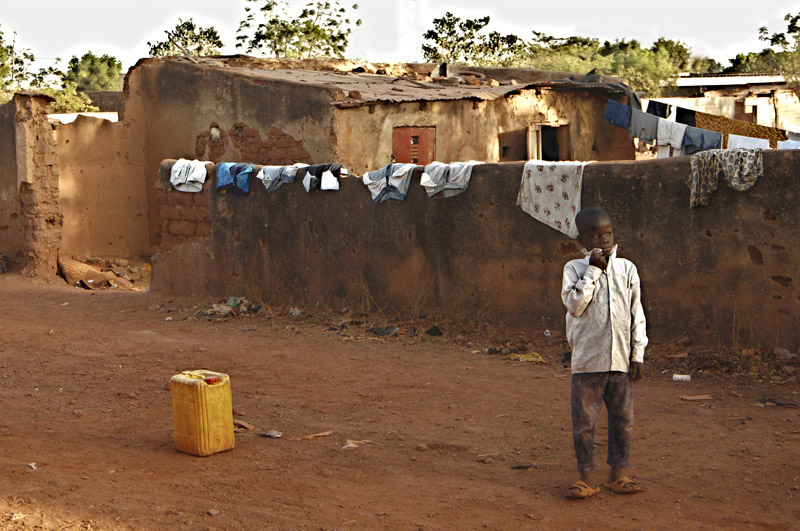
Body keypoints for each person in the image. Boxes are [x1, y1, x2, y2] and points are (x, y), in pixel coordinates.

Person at [561, 207, 647, 499]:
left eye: (608, 232)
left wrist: (638, 354)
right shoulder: (574, 269)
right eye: (596, 235)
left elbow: (637, 313)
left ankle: (618, 474)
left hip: (620, 360)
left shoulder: (627, 269)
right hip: (587, 362)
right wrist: (594, 270)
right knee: (584, 424)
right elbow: (575, 305)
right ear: (581, 240)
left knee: (622, 421)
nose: (605, 239)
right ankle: (585, 477)